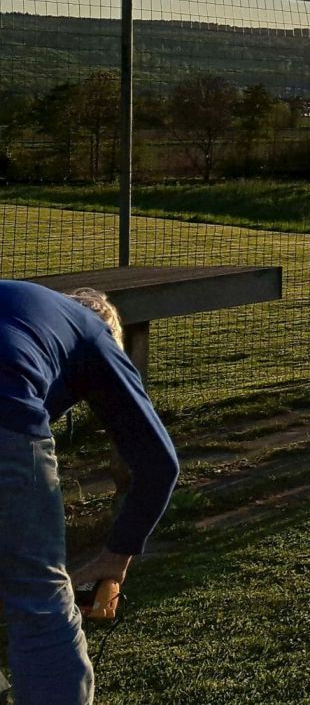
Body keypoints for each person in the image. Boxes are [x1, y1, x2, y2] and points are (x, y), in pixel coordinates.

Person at [0, 279, 179, 705]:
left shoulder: (26, 308)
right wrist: (117, 557)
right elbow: (159, 463)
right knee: (39, 601)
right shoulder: (93, 331)